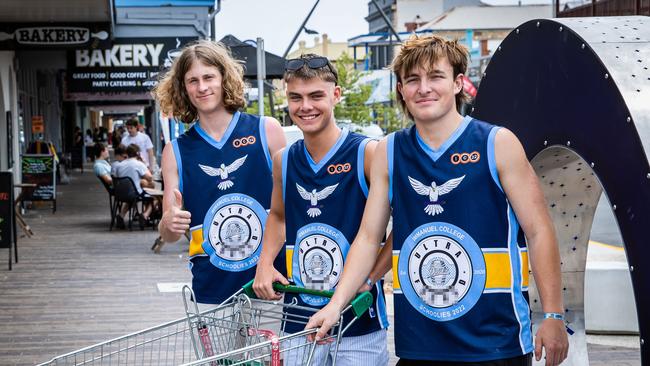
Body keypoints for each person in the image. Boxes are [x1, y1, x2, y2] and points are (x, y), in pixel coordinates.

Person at [306, 35, 569, 366]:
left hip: (495, 343)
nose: (423, 88)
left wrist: (553, 314)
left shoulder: (497, 143)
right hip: (420, 343)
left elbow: (539, 230)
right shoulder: (389, 151)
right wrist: (336, 303)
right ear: (401, 89)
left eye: (435, 76)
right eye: (412, 80)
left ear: (458, 83)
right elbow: (370, 236)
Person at [252, 54, 392, 365]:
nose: (306, 107)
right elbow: (278, 216)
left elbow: (404, 225)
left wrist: (369, 280)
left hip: (359, 322)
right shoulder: (283, 160)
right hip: (299, 320)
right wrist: (264, 262)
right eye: (295, 98)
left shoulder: (368, 153)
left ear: (336, 95)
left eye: (316, 95)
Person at [154, 40, 286, 306]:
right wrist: (169, 223)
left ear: (224, 77)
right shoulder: (175, 151)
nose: (202, 87)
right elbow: (168, 233)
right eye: (192, 81)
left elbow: (290, 209)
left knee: (271, 350)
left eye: (208, 77)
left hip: (270, 283)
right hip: (212, 290)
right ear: (183, 88)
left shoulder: (266, 130)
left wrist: (269, 263)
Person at [112, 143, 154, 227]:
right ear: (138, 153)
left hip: (120, 194)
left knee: (131, 197)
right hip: (134, 193)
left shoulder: (120, 165)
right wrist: (143, 163)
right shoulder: (138, 164)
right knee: (155, 198)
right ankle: (145, 215)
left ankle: (121, 215)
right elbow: (149, 178)